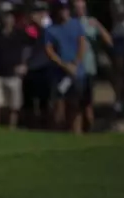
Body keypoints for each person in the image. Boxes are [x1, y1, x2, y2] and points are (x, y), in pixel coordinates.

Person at [45, 0, 87, 134]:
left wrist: (75, 63)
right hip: (59, 73)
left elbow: (81, 44)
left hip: (76, 72)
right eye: (61, 9)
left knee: (76, 106)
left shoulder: (76, 24)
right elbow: (49, 51)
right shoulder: (50, 29)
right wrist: (64, 65)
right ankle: (59, 135)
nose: (63, 11)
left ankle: (77, 134)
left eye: (65, 8)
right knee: (59, 106)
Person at [0, 1, 28, 128]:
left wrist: (24, 65)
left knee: (13, 108)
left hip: (14, 76)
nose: (7, 18)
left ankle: (11, 131)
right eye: (5, 15)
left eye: (10, 15)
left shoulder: (20, 34)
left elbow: (28, 51)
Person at [75, 0, 112, 132]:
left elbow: (108, 40)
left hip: (89, 67)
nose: (80, 10)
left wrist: (99, 26)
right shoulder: (70, 23)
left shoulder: (91, 23)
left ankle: (89, 130)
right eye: (77, 7)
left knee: (88, 102)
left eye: (82, 7)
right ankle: (77, 133)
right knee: (76, 103)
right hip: (74, 67)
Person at [22, 1, 52, 129]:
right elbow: (31, 36)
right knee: (29, 102)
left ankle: (45, 126)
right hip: (30, 68)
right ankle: (31, 126)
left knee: (44, 102)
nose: (39, 14)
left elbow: (47, 37)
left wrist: (40, 24)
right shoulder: (28, 27)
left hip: (44, 67)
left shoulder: (48, 24)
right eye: (36, 11)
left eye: (41, 11)